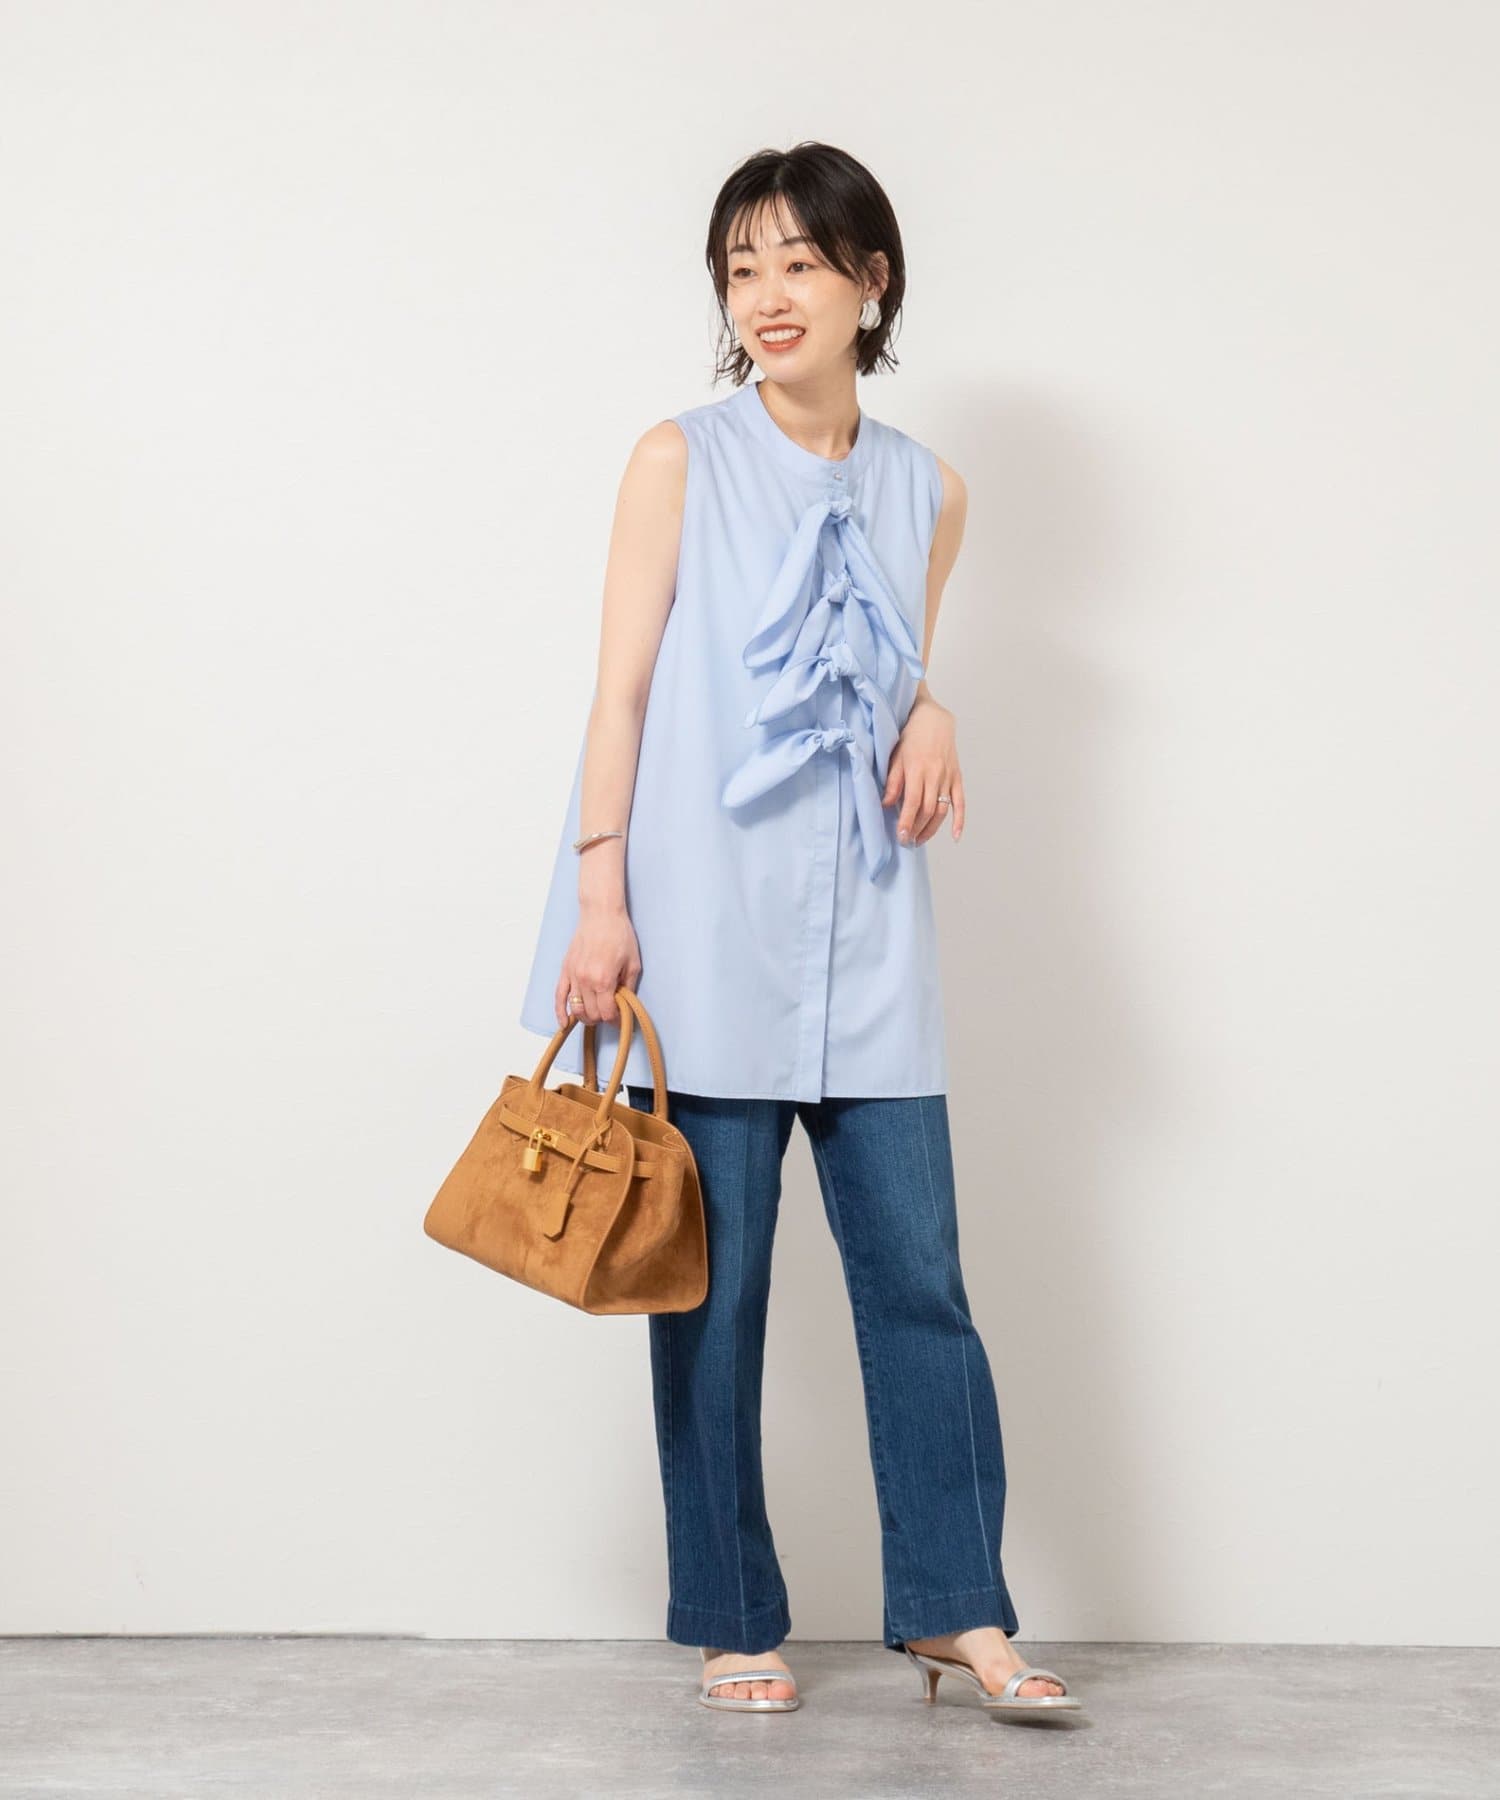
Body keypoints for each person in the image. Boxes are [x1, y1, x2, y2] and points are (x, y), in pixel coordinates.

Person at [519, 141, 1081, 1719]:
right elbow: (622, 694)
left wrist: (935, 708)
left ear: (870, 282)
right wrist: (601, 897)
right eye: (742, 267)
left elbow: (887, 669)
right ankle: (730, 1615)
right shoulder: (676, 462)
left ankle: (957, 1611)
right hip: (704, 932)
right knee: (711, 1294)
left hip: (873, 939)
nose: (767, 296)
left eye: (800, 263)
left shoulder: (931, 491)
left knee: (922, 1286)